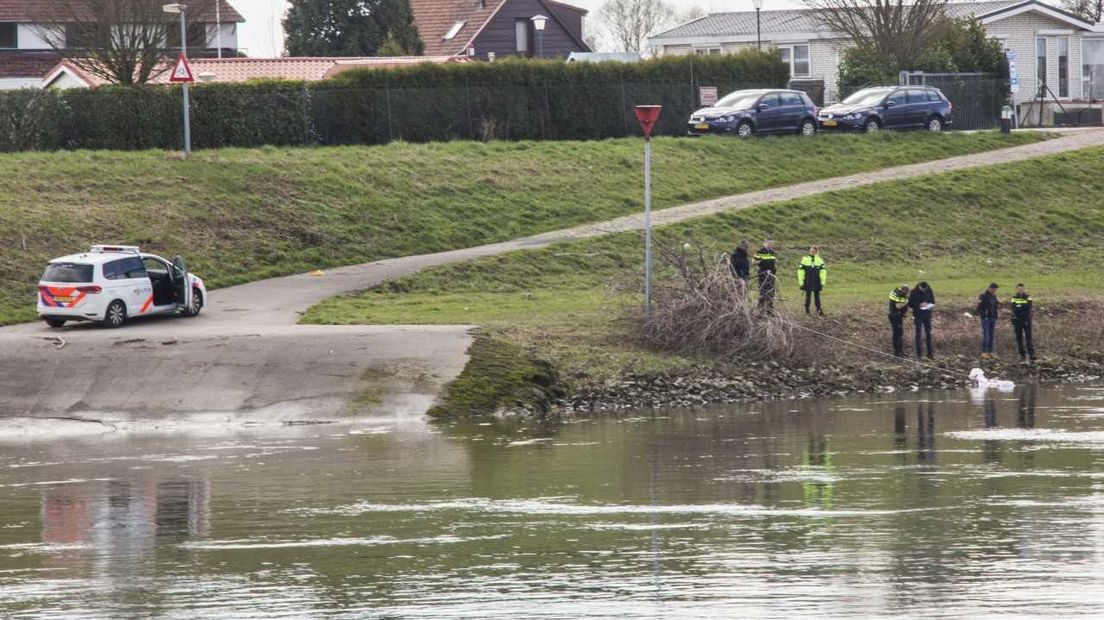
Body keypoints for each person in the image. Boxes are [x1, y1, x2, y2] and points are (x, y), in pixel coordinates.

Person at [796, 246, 827, 316]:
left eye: (813, 251)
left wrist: (822, 281)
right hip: (808, 280)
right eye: (810, 251)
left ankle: (819, 310)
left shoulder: (820, 260)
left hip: (816, 280)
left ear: (816, 252)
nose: (811, 252)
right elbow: (800, 271)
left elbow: (823, 271)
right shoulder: (805, 259)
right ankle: (807, 310)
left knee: (817, 296)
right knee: (808, 296)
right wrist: (801, 281)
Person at [908, 281, 936, 359]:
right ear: (919, 287)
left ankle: (930, 353)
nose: (924, 291)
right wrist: (919, 304)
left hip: (927, 314)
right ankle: (918, 354)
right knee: (918, 334)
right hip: (918, 314)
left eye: (925, 290)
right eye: (922, 290)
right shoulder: (914, 292)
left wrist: (928, 304)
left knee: (928, 334)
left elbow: (933, 301)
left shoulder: (929, 290)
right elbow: (910, 304)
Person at [1010, 283, 1036, 363]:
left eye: (1022, 289)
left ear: (1024, 289)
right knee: (1019, 338)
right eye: (1019, 289)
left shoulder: (1028, 297)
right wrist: (1022, 308)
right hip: (1017, 320)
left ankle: (1031, 354)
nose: (1021, 290)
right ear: (1017, 289)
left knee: (1028, 338)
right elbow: (1013, 308)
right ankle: (1022, 355)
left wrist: (1021, 307)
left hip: (1026, 320)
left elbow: (1030, 307)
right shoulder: (1014, 298)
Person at [977, 282, 1000, 358]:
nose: (994, 291)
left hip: (993, 318)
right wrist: (984, 316)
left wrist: (996, 316)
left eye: (995, 290)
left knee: (991, 336)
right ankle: (984, 352)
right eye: (993, 290)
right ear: (990, 288)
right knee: (986, 335)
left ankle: (990, 352)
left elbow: (996, 306)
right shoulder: (983, 296)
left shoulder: (994, 296)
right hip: (986, 319)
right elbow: (979, 308)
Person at [888, 284, 911, 358]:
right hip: (896, 317)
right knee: (898, 334)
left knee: (898, 334)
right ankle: (898, 353)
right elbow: (898, 306)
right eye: (907, 293)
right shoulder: (899, 294)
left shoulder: (895, 291)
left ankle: (899, 352)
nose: (907, 294)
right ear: (904, 290)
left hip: (895, 315)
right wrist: (906, 301)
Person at [754, 239, 778, 311]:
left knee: (771, 291)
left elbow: (775, 261)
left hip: (771, 274)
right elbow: (753, 262)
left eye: (772, 243)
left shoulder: (772, 252)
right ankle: (760, 307)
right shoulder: (760, 252)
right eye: (769, 243)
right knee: (763, 290)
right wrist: (762, 262)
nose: (770, 245)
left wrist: (775, 268)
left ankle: (769, 308)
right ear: (765, 243)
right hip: (763, 273)